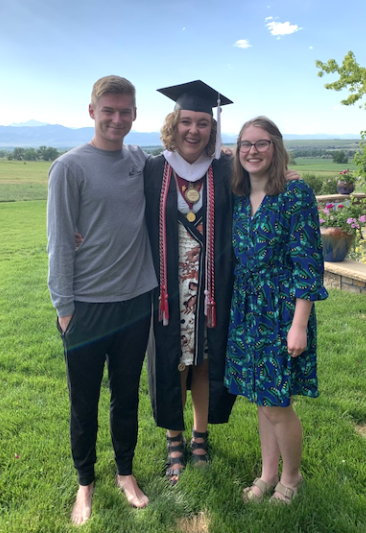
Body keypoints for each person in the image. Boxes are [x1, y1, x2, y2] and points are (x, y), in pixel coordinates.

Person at [47, 75, 157, 525]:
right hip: (86, 308)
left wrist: (230, 157)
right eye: (108, 110)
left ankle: (125, 473)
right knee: (84, 401)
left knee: (126, 395)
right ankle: (85, 484)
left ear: (134, 114)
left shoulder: (139, 160)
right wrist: (65, 309)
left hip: (136, 301)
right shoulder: (69, 167)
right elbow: (58, 240)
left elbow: (189, 165)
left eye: (125, 111)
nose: (117, 119)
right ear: (92, 111)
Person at [224, 116, 328, 505]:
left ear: (276, 147)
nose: (253, 151)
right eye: (245, 144)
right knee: (260, 395)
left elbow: (308, 263)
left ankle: (292, 477)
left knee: (276, 401)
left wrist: (299, 324)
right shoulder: (236, 196)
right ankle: (268, 474)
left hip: (281, 310)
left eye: (262, 143)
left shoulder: (295, 194)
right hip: (246, 309)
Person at [144, 80, 237, 483]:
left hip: (212, 287)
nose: (194, 130)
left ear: (212, 129)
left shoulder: (226, 170)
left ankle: (200, 437)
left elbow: (261, 193)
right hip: (167, 287)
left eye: (203, 122)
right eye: (186, 121)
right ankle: (174, 439)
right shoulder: (152, 169)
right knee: (172, 361)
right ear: (173, 123)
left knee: (204, 359)